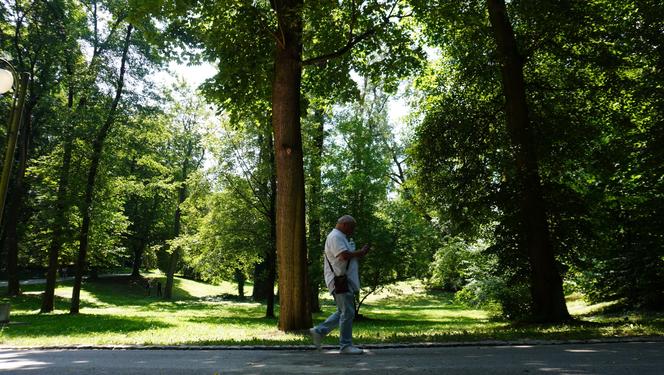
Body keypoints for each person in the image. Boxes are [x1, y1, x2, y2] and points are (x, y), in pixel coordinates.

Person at [309, 215, 370, 354]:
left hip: (342, 280)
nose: (353, 231)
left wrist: (357, 253)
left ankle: (319, 331)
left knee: (343, 311)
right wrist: (360, 252)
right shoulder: (336, 236)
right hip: (340, 280)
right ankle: (346, 346)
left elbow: (345, 256)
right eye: (352, 227)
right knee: (348, 312)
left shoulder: (339, 236)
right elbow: (343, 255)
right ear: (344, 224)